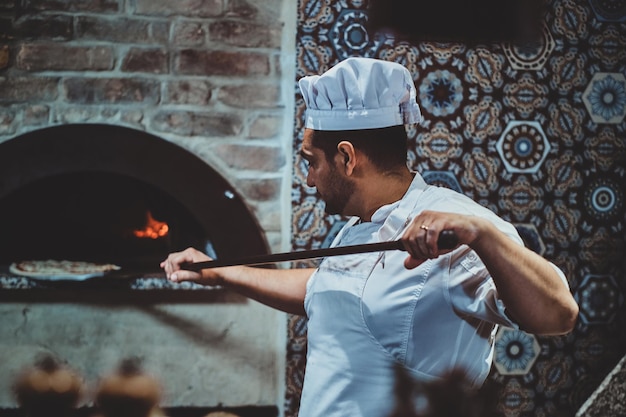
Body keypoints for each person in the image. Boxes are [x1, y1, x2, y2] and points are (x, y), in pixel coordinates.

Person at [161, 57, 579, 417]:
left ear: (346, 157)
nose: (308, 179)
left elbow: (559, 314)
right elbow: (321, 290)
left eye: (311, 162)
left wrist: (484, 234)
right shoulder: (358, 226)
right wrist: (219, 273)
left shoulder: (458, 227)